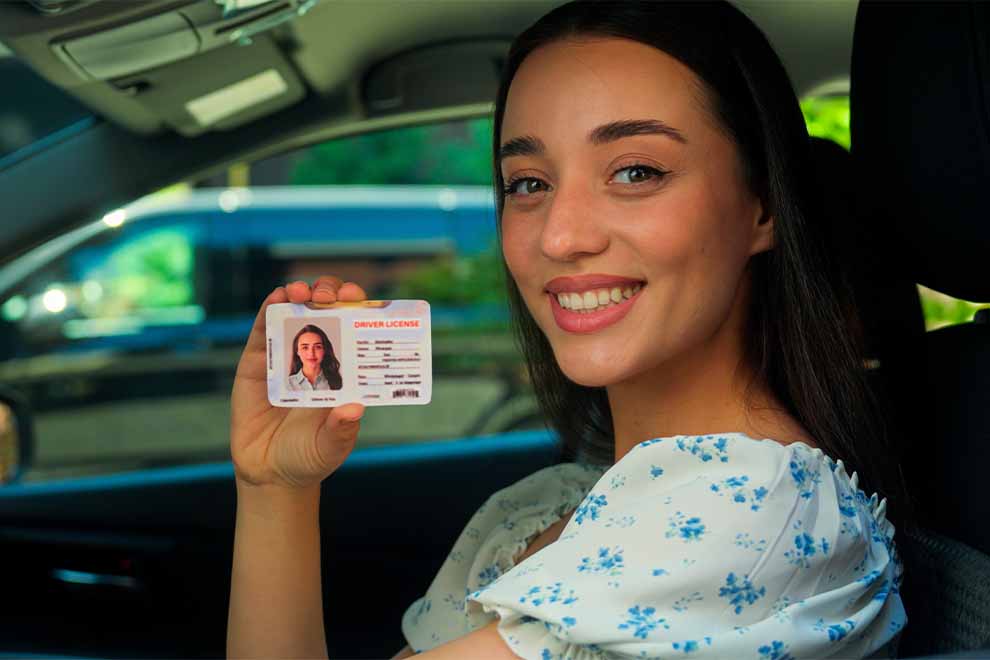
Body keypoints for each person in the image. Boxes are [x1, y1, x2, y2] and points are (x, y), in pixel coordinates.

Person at [226, 1, 909, 658]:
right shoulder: (548, 503)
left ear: (761, 207)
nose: (559, 236)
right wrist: (275, 491)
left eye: (636, 172)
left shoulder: (758, 512)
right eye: (527, 183)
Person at [286, 324, 343, 391]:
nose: (311, 353)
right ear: (297, 351)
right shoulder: (286, 385)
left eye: (318, 347)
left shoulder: (340, 384)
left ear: (325, 350)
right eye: (305, 347)